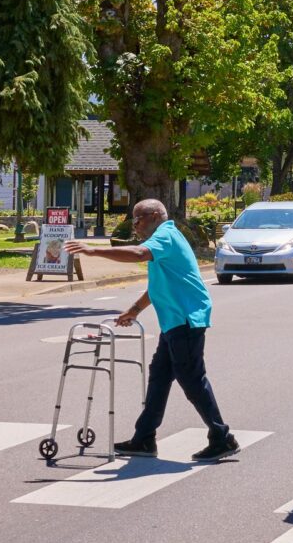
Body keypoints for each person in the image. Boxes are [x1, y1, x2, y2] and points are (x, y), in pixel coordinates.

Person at [75, 198, 239, 463]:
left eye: (137, 219)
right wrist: (134, 310)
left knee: (192, 378)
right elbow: (158, 286)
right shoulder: (164, 239)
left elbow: (139, 253)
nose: (134, 226)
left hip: (186, 317)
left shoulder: (165, 236)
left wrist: (94, 251)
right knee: (160, 375)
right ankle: (144, 438)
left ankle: (222, 437)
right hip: (175, 319)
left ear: (152, 216)